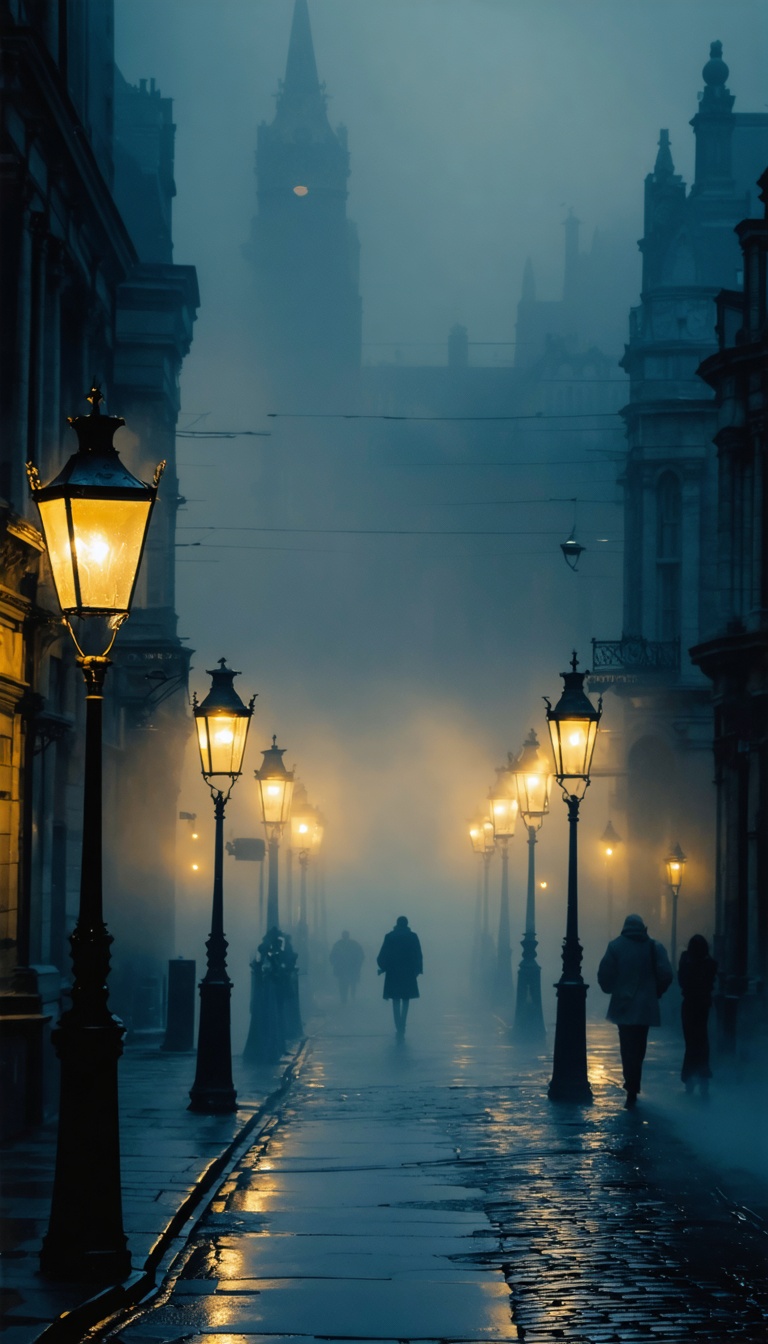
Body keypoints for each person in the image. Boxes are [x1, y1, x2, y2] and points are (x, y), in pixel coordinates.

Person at [597, 913, 673, 1108]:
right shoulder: (653, 947)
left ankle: (630, 1082)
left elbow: (604, 974)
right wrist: (657, 992)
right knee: (640, 1046)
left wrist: (612, 988)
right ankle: (634, 1082)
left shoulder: (615, 946)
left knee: (627, 1046)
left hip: (623, 1004)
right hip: (646, 1005)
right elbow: (666, 974)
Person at [678, 934, 717, 1097]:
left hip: (689, 1004)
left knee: (691, 1041)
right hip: (703, 1005)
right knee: (702, 1040)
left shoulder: (686, 961)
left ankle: (690, 1078)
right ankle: (702, 1077)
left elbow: (681, 981)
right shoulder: (710, 964)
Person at [377, 915, 423, 1037]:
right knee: (406, 999)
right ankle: (403, 1022)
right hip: (408, 972)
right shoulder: (413, 936)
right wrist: (418, 970)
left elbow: (382, 955)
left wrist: (383, 967)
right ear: (407, 924)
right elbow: (418, 954)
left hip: (393, 972)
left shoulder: (390, 936)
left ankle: (398, 1024)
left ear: (397, 924)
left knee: (395, 999)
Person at [329, 931, 365, 1004]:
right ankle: (346, 998)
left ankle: (346, 998)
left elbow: (332, 956)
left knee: (346, 983)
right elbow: (361, 955)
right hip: (346, 969)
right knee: (346, 983)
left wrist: (334, 963)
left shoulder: (338, 944)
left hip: (347, 968)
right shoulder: (353, 944)